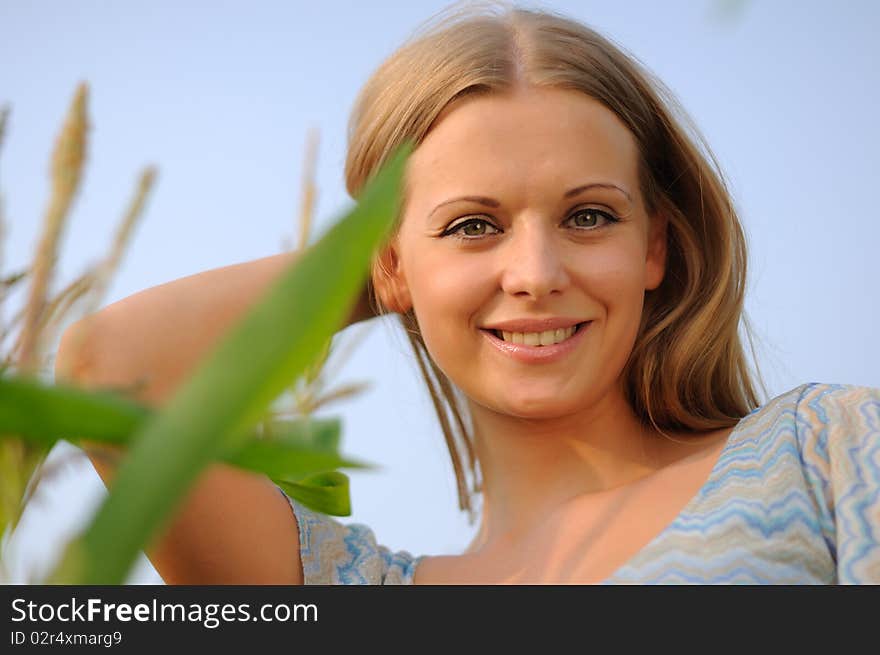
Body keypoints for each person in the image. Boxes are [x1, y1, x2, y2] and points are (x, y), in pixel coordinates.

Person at [56, 3, 879, 584]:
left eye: (588, 215)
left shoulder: (824, 448)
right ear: (389, 268)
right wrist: (393, 268)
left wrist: (439, 251)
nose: (536, 271)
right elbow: (109, 368)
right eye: (474, 226)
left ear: (655, 244)